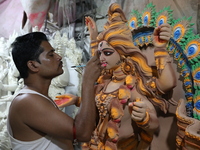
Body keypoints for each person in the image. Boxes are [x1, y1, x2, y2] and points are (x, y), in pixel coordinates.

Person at [55, 3, 177, 150]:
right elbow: (99, 104)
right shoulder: (105, 82)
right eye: (99, 54)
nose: (101, 58)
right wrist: (76, 100)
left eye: (107, 53)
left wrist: (144, 117)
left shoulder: (131, 85)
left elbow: (155, 118)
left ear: (122, 53)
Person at [7, 32, 102, 150]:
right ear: (33, 65)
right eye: (51, 55)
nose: (59, 57)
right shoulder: (27, 101)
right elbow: (82, 133)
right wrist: (87, 81)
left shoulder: (38, 97)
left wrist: (79, 100)